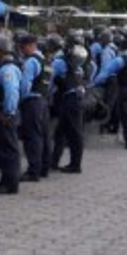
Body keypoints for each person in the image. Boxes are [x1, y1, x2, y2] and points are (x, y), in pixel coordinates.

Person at [0, 37, 23, 195]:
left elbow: (11, 92)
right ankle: (5, 179)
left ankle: (11, 183)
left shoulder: (8, 69)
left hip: (3, 113)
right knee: (0, 149)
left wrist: (9, 112)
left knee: (8, 149)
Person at [17, 34, 51, 182]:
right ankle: (44, 168)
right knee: (44, 135)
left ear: (31, 45)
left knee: (32, 137)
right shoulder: (46, 61)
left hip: (32, 102)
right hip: (43, 100)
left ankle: (33, 171)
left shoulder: (31, 61)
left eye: (23, 47)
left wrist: (20, 99)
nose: (21, 50)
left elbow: (25, 84)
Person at [49, 40, 88, 173]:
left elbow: (50, 80)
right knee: (61, 132)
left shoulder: (59, 63)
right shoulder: (79, 69)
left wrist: (47, 95)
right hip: (76, 100)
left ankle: (75, 165)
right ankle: (54, 161)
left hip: (69, 101)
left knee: (74, 134)